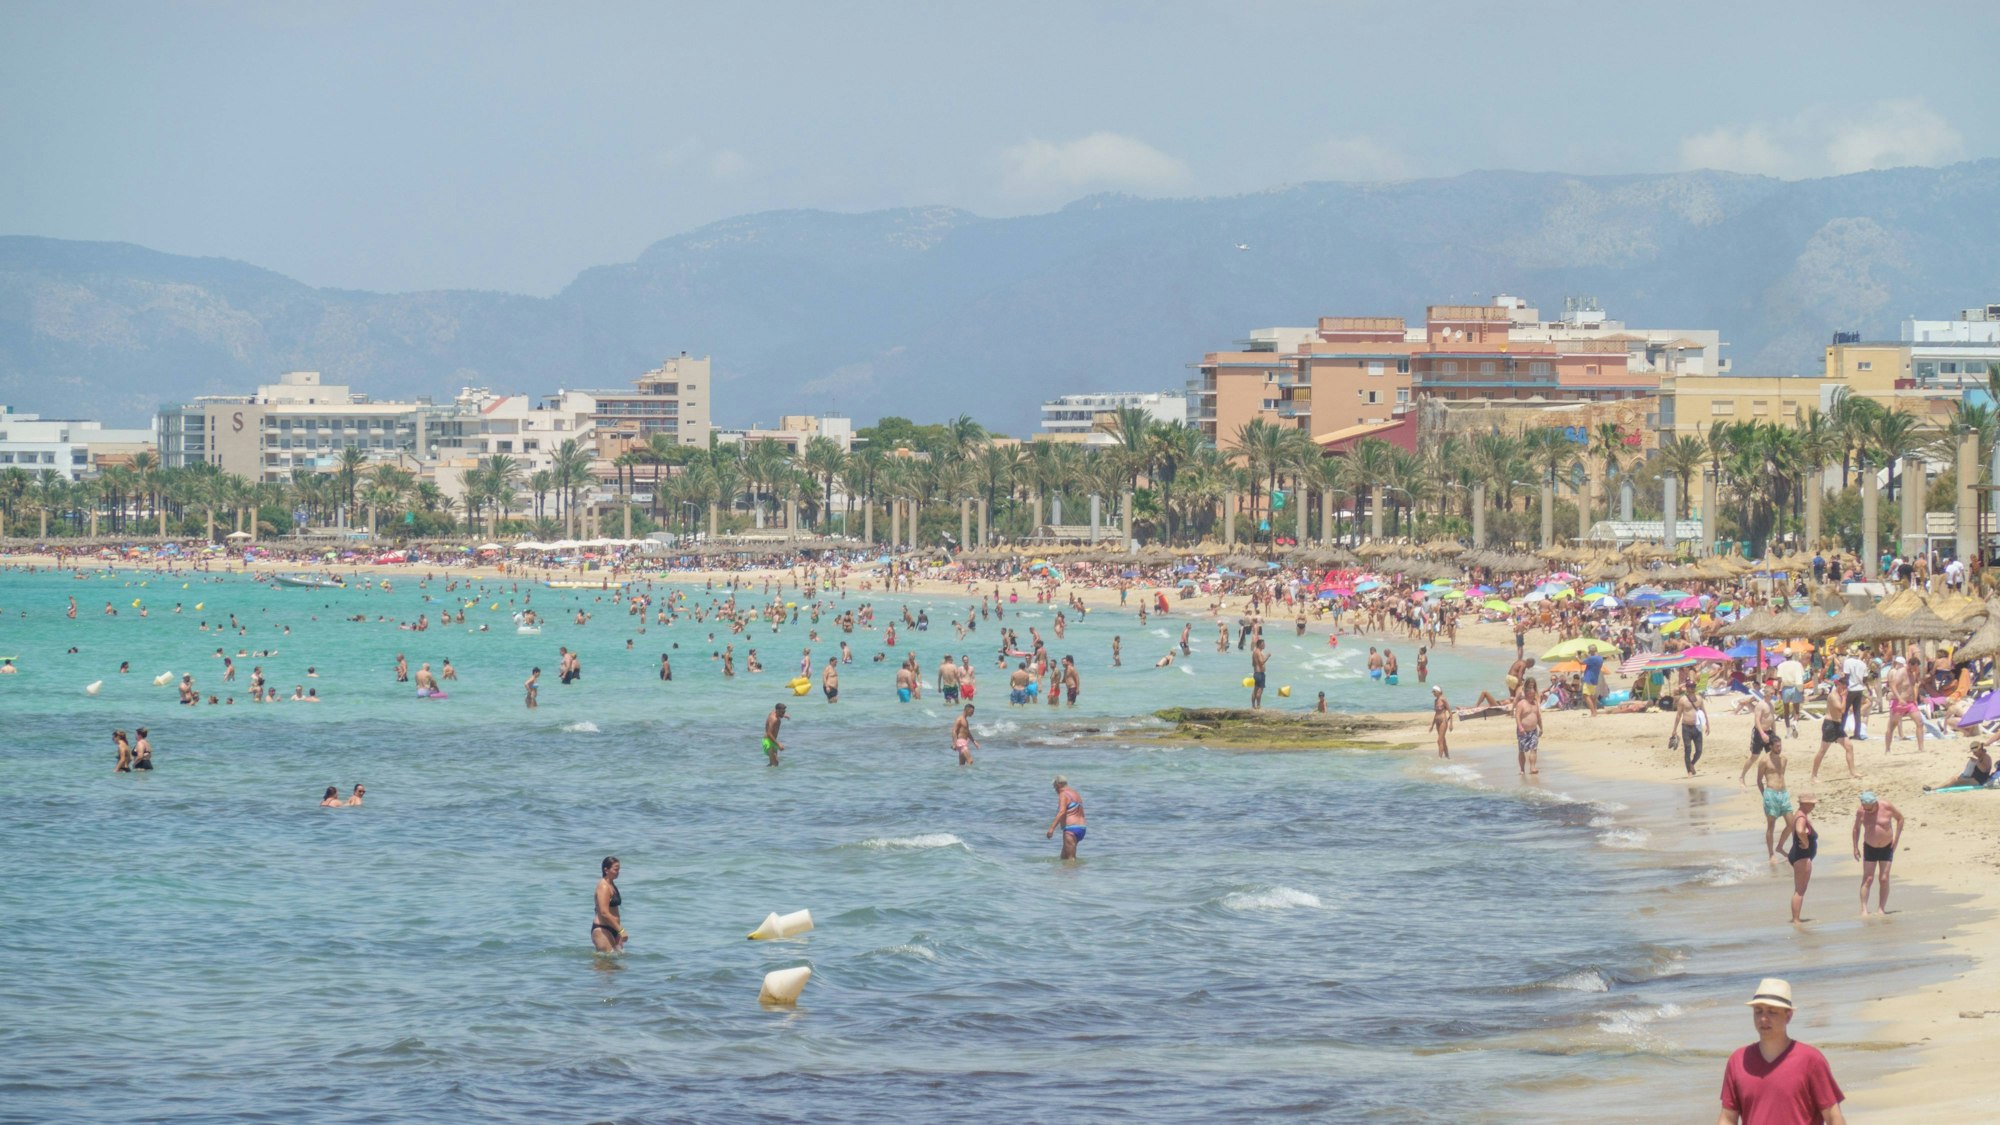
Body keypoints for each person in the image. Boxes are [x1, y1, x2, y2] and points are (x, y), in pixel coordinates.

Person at [1717, 978, 1846, 1124]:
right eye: (1758, 1011)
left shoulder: (1811, 1060)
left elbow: (1833, 1117)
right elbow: (1727, 1118)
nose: (1763, 1019)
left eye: (1772, 1012)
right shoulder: (1738, 1061)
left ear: (1788, 1016)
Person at [1851, 791, 1903, 916]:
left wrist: (1896, 838)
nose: (1868, 811)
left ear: (1875, 803)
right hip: (1870, 846)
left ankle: (1881, 908)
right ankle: (1864, 909)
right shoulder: (1861, 811)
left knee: (1884, 878)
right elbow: (1856, 828)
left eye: (1870, 809)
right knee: (1868, 878)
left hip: (1887, 847)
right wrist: (1855, 847)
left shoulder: (1887, 806)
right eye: (1866, 809)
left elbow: (1900, 819)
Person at [1774, 794, 1819, 924]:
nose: (1814, 806)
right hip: (1801, 856)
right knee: (1800, 890)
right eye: (1812, 804)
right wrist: (1805, 843)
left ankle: (1796, 918)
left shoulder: (1798, 815)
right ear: (1804, 804)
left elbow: (1789, 830)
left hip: (1798, 855)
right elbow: (1800, 831)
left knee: (1800, 889)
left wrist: (1780, 847)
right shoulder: (1800, 817)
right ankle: (1796, 920)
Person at [1751, 735, 1793, 862]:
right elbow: (1759, 780)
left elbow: (1781, 776)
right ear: (1771, 747)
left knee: (1792, 824)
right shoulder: (1764, 761)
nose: (1780, 748)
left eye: (1780, 746)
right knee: (1771, 826)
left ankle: (1780, 847)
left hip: (1784, 793)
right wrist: (1765, 795)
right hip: (1771, 794)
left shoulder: (1784, 759)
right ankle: (1771, 854)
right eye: (1777, 746)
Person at [1811, 679, 1857, 782]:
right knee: (1822, 750)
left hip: (1838, 724)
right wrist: (1845, 697)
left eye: (1846, 687)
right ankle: (1814, 775)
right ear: (1839, 685)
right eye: (1843, 686)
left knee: (1849, 747)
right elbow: (1841, 709)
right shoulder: (1833, 696)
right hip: (1830, 725)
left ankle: (1853, 772)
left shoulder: (1840, 695)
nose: (1845, 689)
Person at [1882, 657, 1924, 755]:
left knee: (1920, 723)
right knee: (1892, 726)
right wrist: (1899, 698)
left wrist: (1915, 699)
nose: (1916, 669)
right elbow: (1893, 685)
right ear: (1910, 664)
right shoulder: (1901, 672)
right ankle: (1887, 749)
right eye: (1915, 667)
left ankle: (1921, 747)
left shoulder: (1913, 674)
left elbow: (1913, 686)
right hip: (1899, 702)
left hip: (1910, 703)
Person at [1923, 740, 1993, 791]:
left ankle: (1934, 788)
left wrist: (1976, 761)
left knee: (1955, 780)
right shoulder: (1980, 757)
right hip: (1973, 778)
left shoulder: (1986, 758)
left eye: (1975, 752)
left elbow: (1984, 770)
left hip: (1978, 781)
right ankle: (1936, 787)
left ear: (1980, 750)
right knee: (1956, 777)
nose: (1974, 754)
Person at [591, 856, 627, 952]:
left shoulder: (612, 885)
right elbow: (604, 913)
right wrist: (621, 930)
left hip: (614, 929)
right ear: (606, 870)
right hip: (602, 929)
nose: (618, 872)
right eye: (615, 869)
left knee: (617, 964)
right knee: (605, 964)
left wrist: (618, 930)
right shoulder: (603, 886)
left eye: (619, 869)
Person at [1047, 774, 1086, 860]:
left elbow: (1061, 812)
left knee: (1070, 860)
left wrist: (1051, 828)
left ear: (1058, 784)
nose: (1055, 790)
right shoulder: (1075, 793)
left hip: (1071, 829)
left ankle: (1074, 872)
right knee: (1064, 858)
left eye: (1054, 787)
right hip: (1081, 828)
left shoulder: (1063, 794)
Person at [1672, 684, 1706, 776]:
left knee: (1699, 750)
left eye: (1694, 687)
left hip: (1697, 727)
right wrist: (1674, 730)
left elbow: (1703, 711)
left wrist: (1708, 725)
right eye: (1691, 687)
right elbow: (1678, 715)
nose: (1693, 688)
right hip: (1686, 727)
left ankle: (1692, 764)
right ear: (1687, 689)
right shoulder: (1682, 700)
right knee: (1688, 749)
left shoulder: (1699, 699)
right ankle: (1689, 771)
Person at [1513, 676, 1542, 775]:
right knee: (1522, 750)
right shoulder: (1521, 703)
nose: (1532, 694)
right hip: (1523, 730)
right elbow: (1517, 716)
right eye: (1530, 692)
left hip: (1534, 730)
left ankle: (1532, 767)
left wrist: (1541, 727)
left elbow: (1538, 716)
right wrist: (1520, 727)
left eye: (1534, 693)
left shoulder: (1535, 704)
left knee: (1534, 749)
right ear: (1526, 692)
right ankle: (1522, 769)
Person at [1428, 685, 1452, 758]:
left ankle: (1440, 758)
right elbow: (1436, 713)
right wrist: (1432, 725)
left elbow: (1450, 712)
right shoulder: (1435, 701)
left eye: (1434, 692)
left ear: (1438, 692)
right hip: (1437, 722)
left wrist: (1451, 724)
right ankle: (1447, 757)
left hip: (1443, 721)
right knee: (1442, 740)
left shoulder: (1443, 700)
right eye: (1433, 692)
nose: (1433, 693)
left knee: (1439, 740)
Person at [1581, 644, 1604, 717]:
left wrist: (1576, 656)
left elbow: (1581, 662)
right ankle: (1595, 711)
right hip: (1594, 679)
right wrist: (1586, 655)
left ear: (1591, 651)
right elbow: (1591, 659)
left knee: (1586, 696)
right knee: (1592, 696)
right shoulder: (1600, 658)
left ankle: (1593, 712)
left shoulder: (1592, 659)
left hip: (1588, 678)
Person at [1250, 639, 1268, 709]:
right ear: (1260, 644)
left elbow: (1253, 664)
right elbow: (1261, 662)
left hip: (1256, 673)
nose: (1264, 645)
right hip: (1260, 674)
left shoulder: (1255, 652)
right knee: (1259, 691)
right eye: (1263, 644)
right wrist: (1267, 656)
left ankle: (1253, 706)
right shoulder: (1258, 652)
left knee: (1255, 690)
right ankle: (1258, 706)